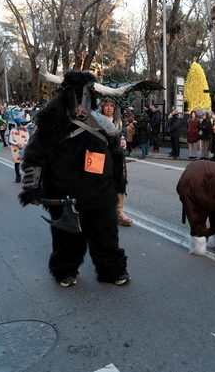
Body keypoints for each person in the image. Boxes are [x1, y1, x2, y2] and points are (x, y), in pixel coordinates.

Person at [19, 69, 130, 287]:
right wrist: (32, 189)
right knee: (66, 237)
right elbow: (34, 157)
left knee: (106, 234)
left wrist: (118, 185)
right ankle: (64, 270)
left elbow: (116, 156)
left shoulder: (103, 124)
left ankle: (112, 270)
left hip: (100, 192)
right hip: (63, 192)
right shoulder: (50, 123)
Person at [100, 96, 133, 226]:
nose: (109, 108)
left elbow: (122, 133)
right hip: (101, 155)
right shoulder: (97, 120)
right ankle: (103, 212)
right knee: (101, 183)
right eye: (106, 105)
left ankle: (119, 212)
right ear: (102, 107)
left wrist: (123, 140)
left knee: (119, 182)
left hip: (116, 156)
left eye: (111, 106)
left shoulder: (118, 121)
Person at [9, 118, 30, 183]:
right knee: (17, 162)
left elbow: (28, 139)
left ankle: (27, 177)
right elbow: (10, 140)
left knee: (25, 162)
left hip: (24, 147)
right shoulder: (13, 130)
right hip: (15, 148)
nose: (23, 126)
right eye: (22, 125)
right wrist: (17, 144)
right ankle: (18, 177)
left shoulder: (26, 131)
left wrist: (24, 143)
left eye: (24, 125)